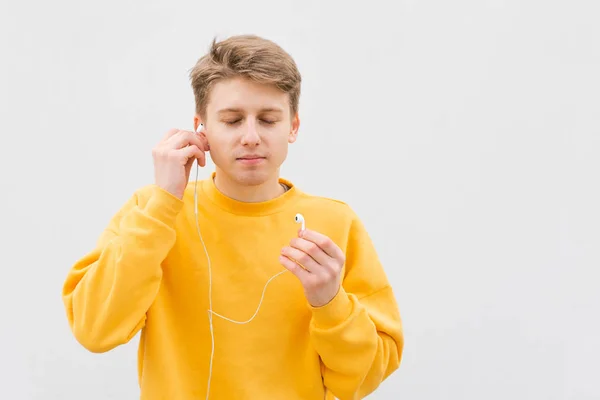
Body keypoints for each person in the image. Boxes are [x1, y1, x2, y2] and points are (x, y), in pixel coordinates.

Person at [61, 34, 404, 400]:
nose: (251, 137)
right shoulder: (152, 211)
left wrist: (330, 302)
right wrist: (163, 205)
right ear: (202, 128)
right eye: (233, 120)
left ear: (293, 126)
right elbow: (94, 329)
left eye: (269, 120)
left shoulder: (335, 224)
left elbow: (362, 380)